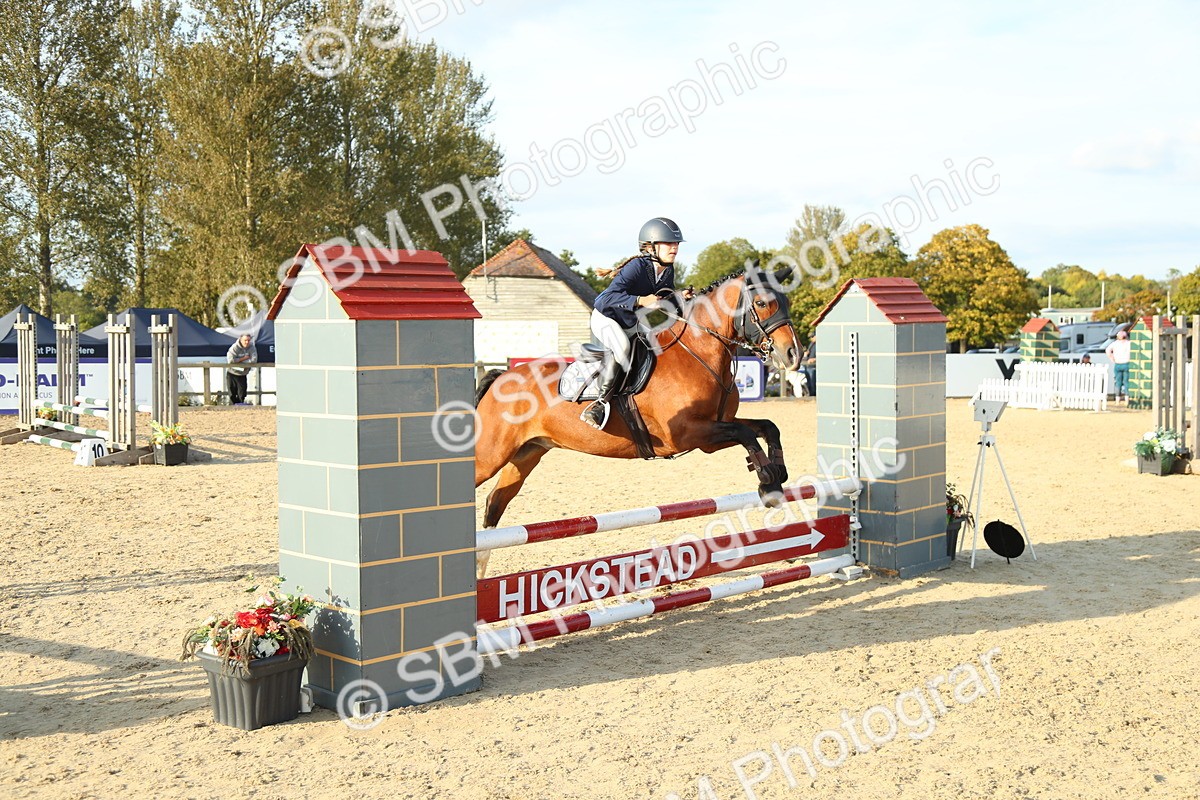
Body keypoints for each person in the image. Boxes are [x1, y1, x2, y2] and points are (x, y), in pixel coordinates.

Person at [581, 217, 693, 430]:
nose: (674, 248)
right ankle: (599, 404)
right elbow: (604, 300)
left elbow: (665, 299)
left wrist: (681, 297)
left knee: (656, 344)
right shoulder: (637, 267)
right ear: (650, 247)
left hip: (630, 321)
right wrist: (640, 300)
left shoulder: (667, 270)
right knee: (622, 346)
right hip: (606, 318)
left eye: (676, 243)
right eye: (668, 243)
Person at [226, 333, 257, 405]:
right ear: (241, 340)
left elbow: (254, 360)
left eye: (248, 340)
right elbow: (230, 360)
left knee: (242, 393)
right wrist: (244, 358)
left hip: (243, 374)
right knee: (232, 393)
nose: (247, 342)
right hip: (232, 373)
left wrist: (238, 361)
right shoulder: (234, 347)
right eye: (245, 340)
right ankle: (233, 407)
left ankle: (240, 407)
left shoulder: (252, 347)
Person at [1105, 329, 1131, 402]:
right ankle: (1127, 397)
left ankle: (1117, 398)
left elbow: (1107, 350)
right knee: (1126, 381)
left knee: (1118, 382)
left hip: (1118, 363)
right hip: (1126, 363)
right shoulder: (1129, 343)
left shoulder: (1115, 344)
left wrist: (1112, 358)